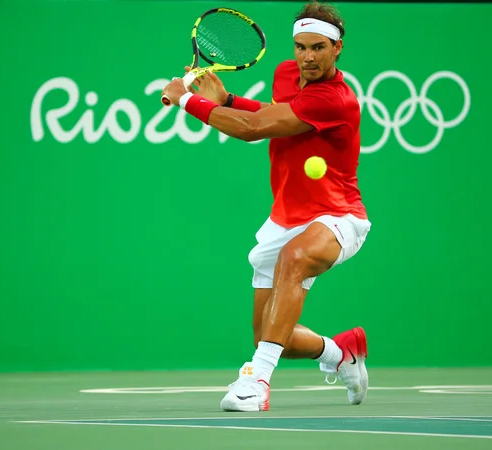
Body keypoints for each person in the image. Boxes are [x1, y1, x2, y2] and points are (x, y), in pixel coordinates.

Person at [162, 0, 371, 412]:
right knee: (271, 337)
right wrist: (228, 99)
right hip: (286, 216)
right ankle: (340, 352)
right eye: (300, 47)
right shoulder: (286, 73)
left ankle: (255, 382)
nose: (307, 57)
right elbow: (274, 117)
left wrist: (188, 102)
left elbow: (252, 131)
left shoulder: (336, 99)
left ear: (337, 48)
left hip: (338, 214)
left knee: (294, 260)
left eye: (318, 48)